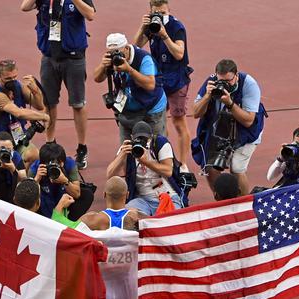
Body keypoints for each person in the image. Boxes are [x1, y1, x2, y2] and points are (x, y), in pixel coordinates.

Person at [20, 0, 95, 170]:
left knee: (78, 104)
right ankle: (50, 142)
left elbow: (90, 15)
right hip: (49, 56)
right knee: (49, 103)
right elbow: (24, 6)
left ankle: (82, 148)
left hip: (74, 57)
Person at [192, 59, 266, 196]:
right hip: (221, 128)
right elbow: (196, 113)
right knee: (210, 167)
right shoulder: (211, 82)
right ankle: (222, 201)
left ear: (236, 76)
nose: (225, 85)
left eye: (229, 81)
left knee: (236, 167)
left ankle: (244, 203)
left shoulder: (249, 84)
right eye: (221, 81)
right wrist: (208, 96)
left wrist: (230, 103)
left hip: (246, 131)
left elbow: (249, 121)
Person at [133, 0, 193, 167]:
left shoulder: (176, 27)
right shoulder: (151, 27)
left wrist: (164, 34)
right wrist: (142, 27)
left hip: (176, 80)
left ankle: (183, 164)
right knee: (156, 119)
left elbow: (179, 54)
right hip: (158, 80)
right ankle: (161, 158)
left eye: (163, 13)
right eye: (156, 13)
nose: (159, 17)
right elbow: (136, 46)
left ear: (168, 11)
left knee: (178, 121)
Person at [93, 33, 167, 144]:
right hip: (127, 112)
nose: (115, 56)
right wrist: (103, 65)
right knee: (126, 150)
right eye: (111, 52)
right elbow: (97, 78)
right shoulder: (111, 60)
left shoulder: (143, 58)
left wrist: (129, 70)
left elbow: (150, 85)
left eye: (118, 52)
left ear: (127, 48)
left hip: (151, 111)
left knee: (154, 147)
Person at [0, 59, 50, 170]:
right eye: (8, 79)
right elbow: (19, 113)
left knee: (34, 155)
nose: (12, 81)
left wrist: (35, 90)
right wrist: (44, 117)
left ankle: (21, 183)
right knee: (3, 165)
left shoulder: (18, 86)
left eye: (14, 77)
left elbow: (39, 105)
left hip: (17, 138)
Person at [106, 121, 184, 215]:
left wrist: (146, 162)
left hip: (168, 196)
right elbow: (109, 174)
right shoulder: (128, 147)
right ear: (132, 137)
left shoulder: (160, 143)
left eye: (145, 139)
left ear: (151, 137)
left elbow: (168, 171)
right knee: (127, 216)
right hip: (143, 200)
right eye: (138, 138)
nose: (142, 141)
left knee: (172, 220)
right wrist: (121, 156)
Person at [30, 142, 93, 221]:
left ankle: (68, 221)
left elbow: (77, 194)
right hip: (44, 201)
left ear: (63, 161)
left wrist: (65, 181)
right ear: (42, 163)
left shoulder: (69, 164)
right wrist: (36, 180)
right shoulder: (35, 168)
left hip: (64, 197)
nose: (55, 166)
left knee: (87, 195)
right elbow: (27, 197)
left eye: (58, 163)